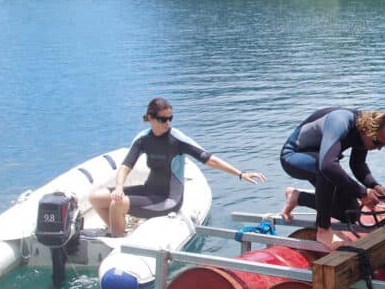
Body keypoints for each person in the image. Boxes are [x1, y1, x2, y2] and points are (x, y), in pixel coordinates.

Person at [90, 98, 265, 237]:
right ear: (150, 118)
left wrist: (240, 173)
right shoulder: (143, 138)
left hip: (168, 199)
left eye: (170, 118)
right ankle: (116, 230)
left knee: (117, 203)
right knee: (96, 197)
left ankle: (119, 241)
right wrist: (119, 187)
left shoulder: (177, 139)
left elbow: (210, 160)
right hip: (148, 190)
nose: (167, 123)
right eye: (162, 119)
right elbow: (125, 166)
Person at [280, 107, 385, 248]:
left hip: (321, 161)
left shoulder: (364, 132)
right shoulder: (340, 121)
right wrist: (361, 192)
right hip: (293, 157)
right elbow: (327, 166)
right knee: (326, 168)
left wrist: (374, 185)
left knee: (351, 213)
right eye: (378, 143)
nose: (379, 148)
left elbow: (357, 164)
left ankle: (298, 197)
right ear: (367, 130)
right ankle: (323, 230)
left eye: (384, 145)